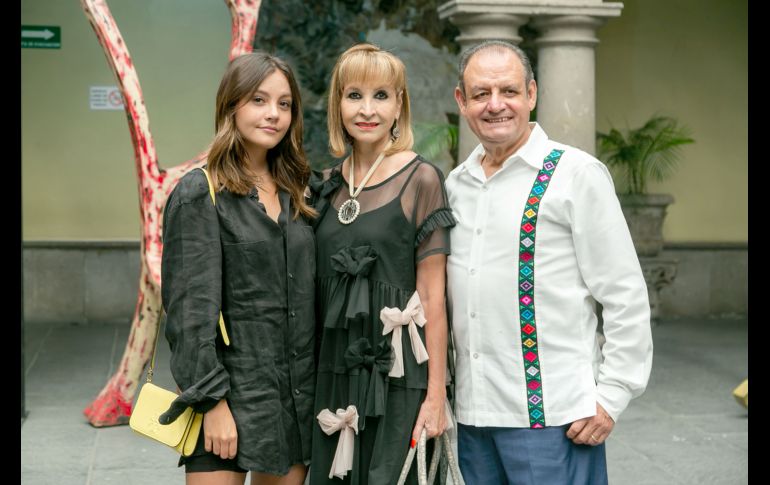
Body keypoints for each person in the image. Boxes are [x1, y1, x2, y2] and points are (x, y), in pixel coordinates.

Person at [445, 40, 654, 484]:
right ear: (462, 101)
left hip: (555, 420)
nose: (496, 105)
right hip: (472, 415)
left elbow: (624, 293)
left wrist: (612, 395)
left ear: (532, 94)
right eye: (481, 93)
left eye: (509, 91)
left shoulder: (576, 174)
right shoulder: (454, 185)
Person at [158, 51, 317, 485]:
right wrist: (212, 404)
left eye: (285, 104)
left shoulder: (301, 189)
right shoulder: (200, 191)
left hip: (293, 397)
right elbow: (190, 315)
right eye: (259, 100)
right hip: (227, 392)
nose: (274, 114)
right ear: (232, 105)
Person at [308, 43, 456, 485]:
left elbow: (433, 296)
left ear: (399, 106)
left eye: (381, 96)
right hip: (334, 368)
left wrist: (435, 397)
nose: (367, 109)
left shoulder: (422, 179)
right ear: (338, 104)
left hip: (397, 372)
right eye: (354, 95)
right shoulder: (327, 186)